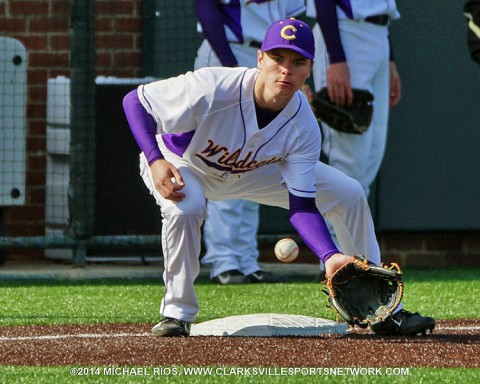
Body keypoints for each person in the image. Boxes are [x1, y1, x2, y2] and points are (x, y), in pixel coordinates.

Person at [123, 18, 435, 337]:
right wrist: (155, 159)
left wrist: (329, 256)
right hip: (181, 162)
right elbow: (135, 101)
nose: (286, 69)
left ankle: (382, 311)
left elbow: (301, 203)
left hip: (248, 169)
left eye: (297, 62)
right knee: (186, 207)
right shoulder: (215, 87)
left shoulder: (303, 124)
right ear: (260, 58)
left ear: (309, 69)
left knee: (349, 192)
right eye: (278, 58)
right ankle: (177, 313)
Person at [194, 0, 306, 284]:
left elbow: (290, 21)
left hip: (272, 60)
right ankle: (224, 260)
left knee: (255, 158)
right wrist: (229, 64)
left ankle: (245, 258)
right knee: (225, 158)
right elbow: (205, 6)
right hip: (230, 52)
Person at [306, 0, 402, 276]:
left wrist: (390, 58)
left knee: (370, 159)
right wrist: (336, 57)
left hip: (379, 35)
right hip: (345, 36)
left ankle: (357, 260)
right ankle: (335, 262)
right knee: (349, 161)